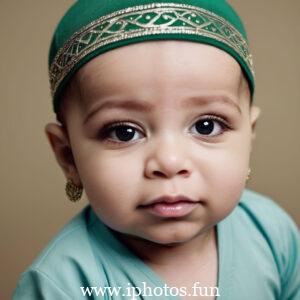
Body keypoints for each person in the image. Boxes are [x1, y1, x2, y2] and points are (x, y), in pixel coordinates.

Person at [13, 0, 300, 299]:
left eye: (207, 126)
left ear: (249, 136)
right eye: (123, 133)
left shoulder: (270, 231)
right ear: (67, 156)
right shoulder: (62, 285)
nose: (170, 161)